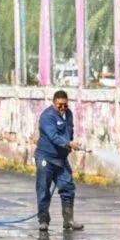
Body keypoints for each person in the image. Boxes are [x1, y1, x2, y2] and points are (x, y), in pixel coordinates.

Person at [36, 90, 83, 232]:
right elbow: (53, 136)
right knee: (44, 189)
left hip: (61, 159)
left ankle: (68, 220)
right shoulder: (47, 117)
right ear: (54, 103)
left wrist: (69, 145)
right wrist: (68, 144)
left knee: (68, 187)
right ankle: (43, 220)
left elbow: (70, 131)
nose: (62, 108)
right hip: (46, 158)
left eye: (65, 105)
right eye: (59, 105)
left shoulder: (68, 114)